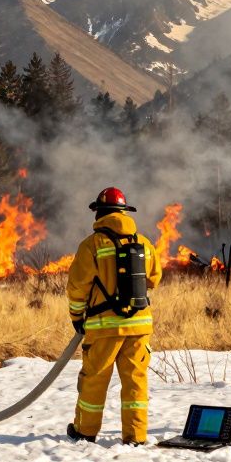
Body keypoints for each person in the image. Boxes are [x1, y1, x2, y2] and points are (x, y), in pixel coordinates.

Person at [65, 187, 162, 445]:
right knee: (135, 384)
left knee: (95, 381)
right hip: (140, 326)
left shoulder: (91, 245)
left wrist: (77, 316)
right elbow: (154, 278)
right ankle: (136, 436)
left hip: (104, 327)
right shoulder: (143, 243)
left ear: (99, 213)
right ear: (124, 212)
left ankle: (85, 432)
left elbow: (77, 287)